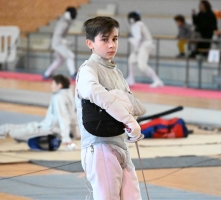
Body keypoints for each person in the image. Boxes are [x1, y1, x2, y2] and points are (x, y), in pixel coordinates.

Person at [76, 16, 145, 199]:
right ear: (90, 43)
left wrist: (132, 125)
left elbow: (129, 104)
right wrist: (128, 120)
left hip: (121, 145)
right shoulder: (87, 70)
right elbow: (96, 93)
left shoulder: (117, 72)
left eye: (114, 39)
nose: (111, 45)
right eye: (104, 40)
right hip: (98, 146)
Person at [0, 74, 79, 151]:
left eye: (52, 84)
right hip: (43, 126)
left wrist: (66, 138)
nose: (51, 86)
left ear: (59, 85)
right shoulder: (68, 95)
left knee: (11, 132)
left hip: (48, 131)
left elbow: (64, 118)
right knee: (9, 127)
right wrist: (76, 134)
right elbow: (72, 116)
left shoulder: (59, 97)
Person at [126, 11, 164, 88]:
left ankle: (157, 81)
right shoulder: (139, 24)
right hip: (143, 45)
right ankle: (131, 79)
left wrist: (130, 39)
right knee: (131, 60)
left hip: (144, 46)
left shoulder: (136, 25)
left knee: (142, 66)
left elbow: (138, 38)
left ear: (131, 19)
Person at [43, 7, 78, 80]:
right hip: (57, 43)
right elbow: (58, 35)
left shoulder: (66, 21)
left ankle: (47, 74)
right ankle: (73, 74)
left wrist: (65, 42)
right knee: (70, 56)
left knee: (59, 60)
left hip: (57, 43)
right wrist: (66, 42)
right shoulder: (64, 22)